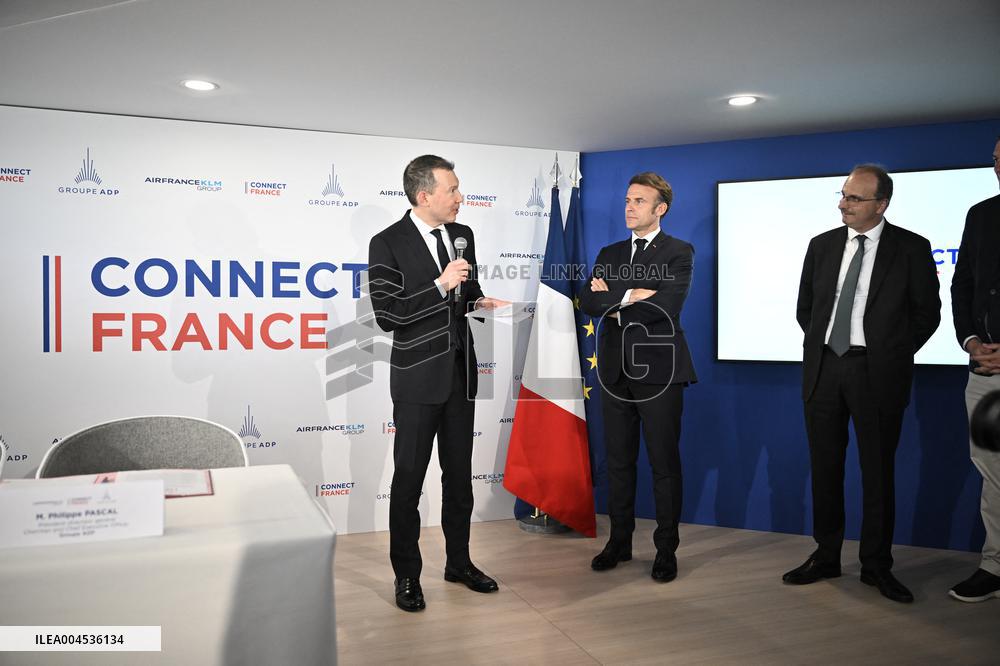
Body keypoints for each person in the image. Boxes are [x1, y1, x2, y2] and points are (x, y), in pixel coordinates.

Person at [785, 164, 940, 603]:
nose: (843, 204)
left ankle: (876, 565)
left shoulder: (911, 248)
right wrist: (824, 346)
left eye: (854, 198)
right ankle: (826, 555)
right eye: (843, 195)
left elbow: (927, 315)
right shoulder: (821, 245)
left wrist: (889, 352)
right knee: (826, 468)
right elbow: (807, 309)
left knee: (877, 473)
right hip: (824, 369)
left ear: (881, 204)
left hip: (877, 373)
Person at [367, 155, 507, 612]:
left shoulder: (463, 236)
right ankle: (407, 575)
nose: (460, 198)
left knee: (459, 478)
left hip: (461, 375)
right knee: (408, 481)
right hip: (416, 379)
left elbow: (465, 291)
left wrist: (480, 298)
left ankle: (459, 563)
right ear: (424, 195)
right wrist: (441, 284)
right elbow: (388, 315)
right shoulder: (386, 243)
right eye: (452, 190)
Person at [579, 171, 697, 582]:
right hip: (614, 372)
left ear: (660, 208)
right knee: (618, 462)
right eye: (627, 200)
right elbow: (589, 301)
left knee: (664, 464)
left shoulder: (679, 251)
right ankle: (620, 542)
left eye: (639, 202)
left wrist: (614, 294)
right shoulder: (609, 252)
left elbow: (667, 306)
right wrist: (632, 294)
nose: (629, 208)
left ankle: (666, 550)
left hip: (660, 372)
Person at [949, 136, 1000, 603]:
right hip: (986, 372)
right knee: (992, 469)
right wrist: (970, 341)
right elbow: (962, 284)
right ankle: (995, 565)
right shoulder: (981, 213)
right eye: (996, 162)